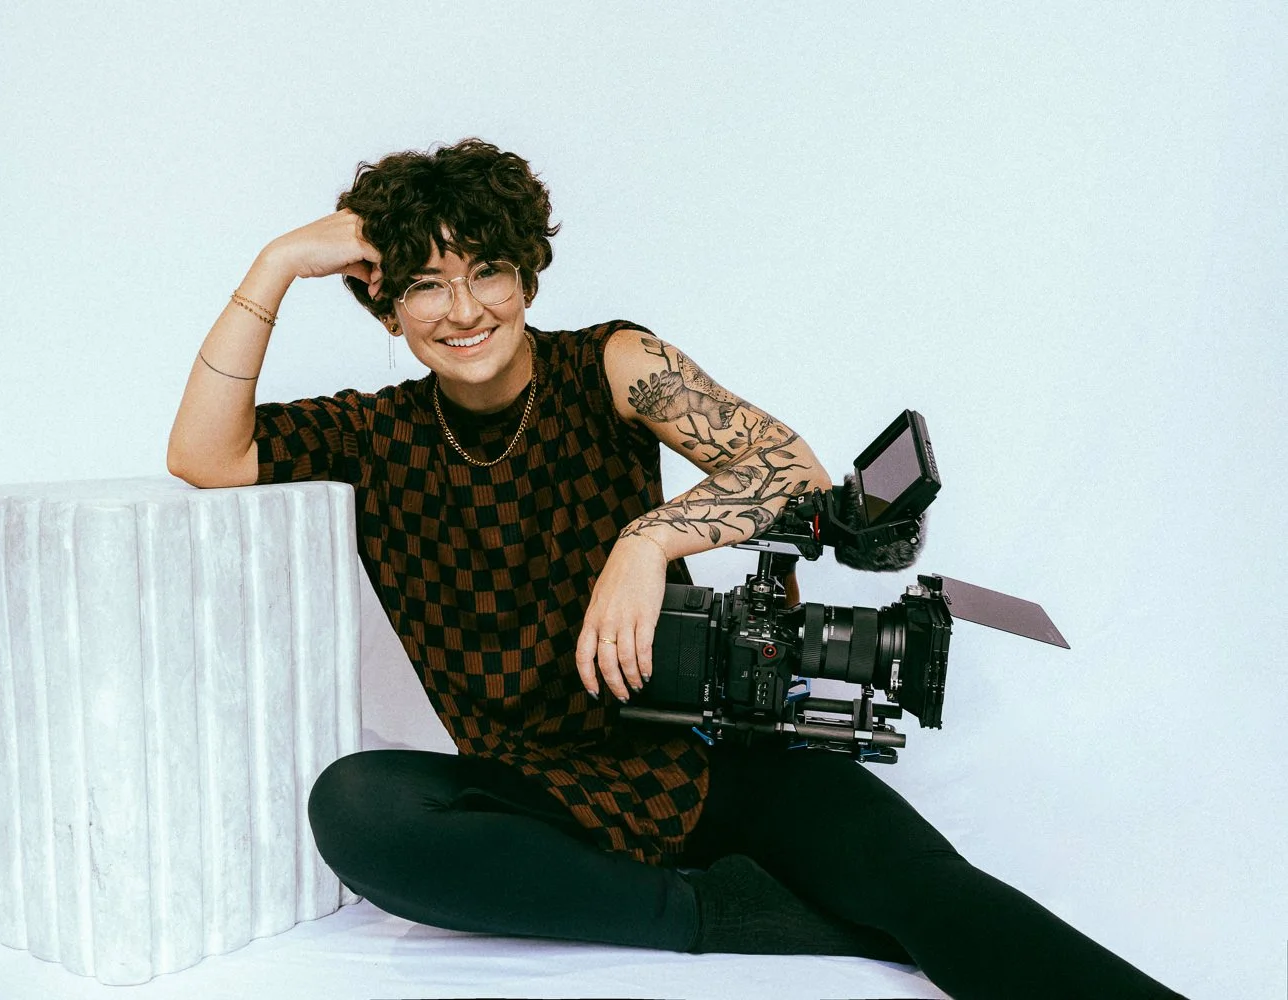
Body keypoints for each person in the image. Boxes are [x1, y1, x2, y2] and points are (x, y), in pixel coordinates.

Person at [166, 138, 1186, 1000]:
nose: (462, 307)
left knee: (934, 897)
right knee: (358, 806)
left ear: (526, 277)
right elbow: (205, 456)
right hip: (543, 791)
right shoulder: (372, 431)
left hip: (714, 751)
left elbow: (789, 463)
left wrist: (645, 539)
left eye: (486, 271)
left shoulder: (611, 363)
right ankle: (725, 912)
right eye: (427, 282)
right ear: (388, 308)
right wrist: (275, 263)